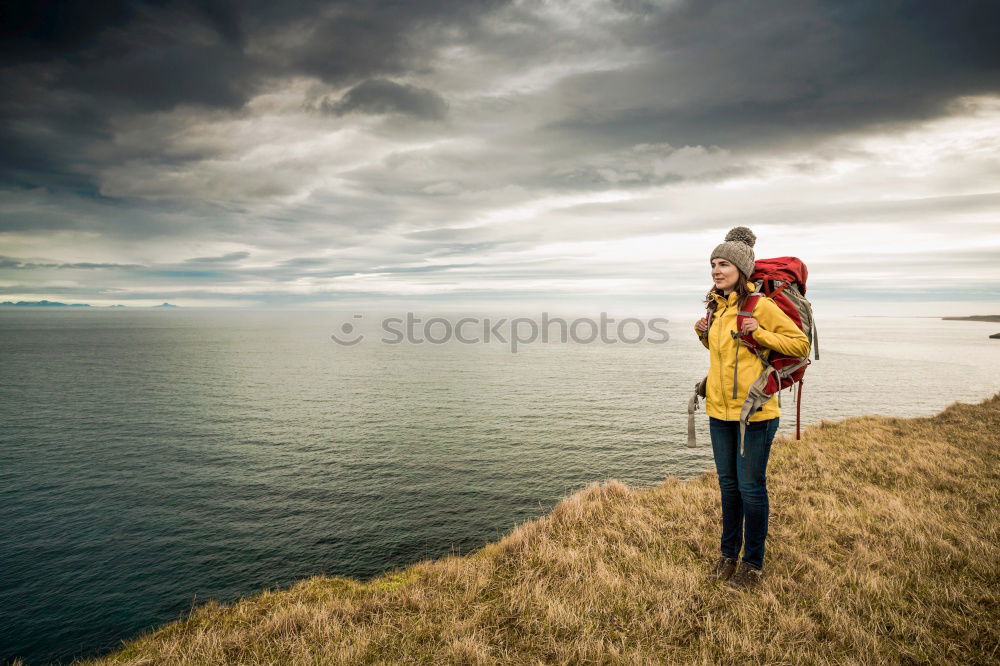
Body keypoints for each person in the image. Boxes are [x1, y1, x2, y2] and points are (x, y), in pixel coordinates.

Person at [693, 226, 810, 592]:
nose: (716, 270)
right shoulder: (716, 305)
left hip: (755, 414)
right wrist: (703, 333)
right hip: (719, 412)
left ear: (741, 269)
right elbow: (727, 355)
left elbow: (799, 345)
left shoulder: (760, 306)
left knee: (751, 488)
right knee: (728, 487)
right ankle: (728, 556)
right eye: (713, 263)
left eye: (723, 263)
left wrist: (759, 331)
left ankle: (752, 564)